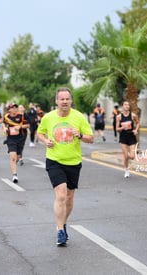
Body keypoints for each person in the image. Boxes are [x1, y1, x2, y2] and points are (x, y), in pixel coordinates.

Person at [37, 87, 93, 247]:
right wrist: (45, 141)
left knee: (69, 198)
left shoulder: (79, 117)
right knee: (61, 195)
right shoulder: (48, 118)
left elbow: (91, 138)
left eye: (67, 99)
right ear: (56, 101)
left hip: (74, 162)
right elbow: (39, 133)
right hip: (54, 160)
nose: (65, 101)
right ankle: (60, 230)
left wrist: (80, 135)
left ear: (71, 100)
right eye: (62, 99)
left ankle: (63, 222)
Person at [3, 103, 29, 183]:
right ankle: (14, 175)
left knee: (17, 157)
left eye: (15, 108)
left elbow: (27, 125)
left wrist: (20, 127)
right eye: (12, 108)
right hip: (11, 139)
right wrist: (4, 128)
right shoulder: (6, 117)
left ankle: (13, 163)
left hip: (20, 138)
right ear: (9, 109)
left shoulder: (21, 116)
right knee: (13, 157)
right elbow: (4, 123)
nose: (14, 109)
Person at [116, 101, 140, 178]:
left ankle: (128, 157)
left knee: (132, 156)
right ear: (122, 106)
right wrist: (122, 127)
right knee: (126, 157)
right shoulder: (119, 117)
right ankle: (126, 170)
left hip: (131, 136)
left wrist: (136, 130)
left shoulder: (133, 115)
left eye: (128, 105)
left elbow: (138, 123)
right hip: (123, 137)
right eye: (125, 105)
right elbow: (117, 129)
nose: (127, 106)